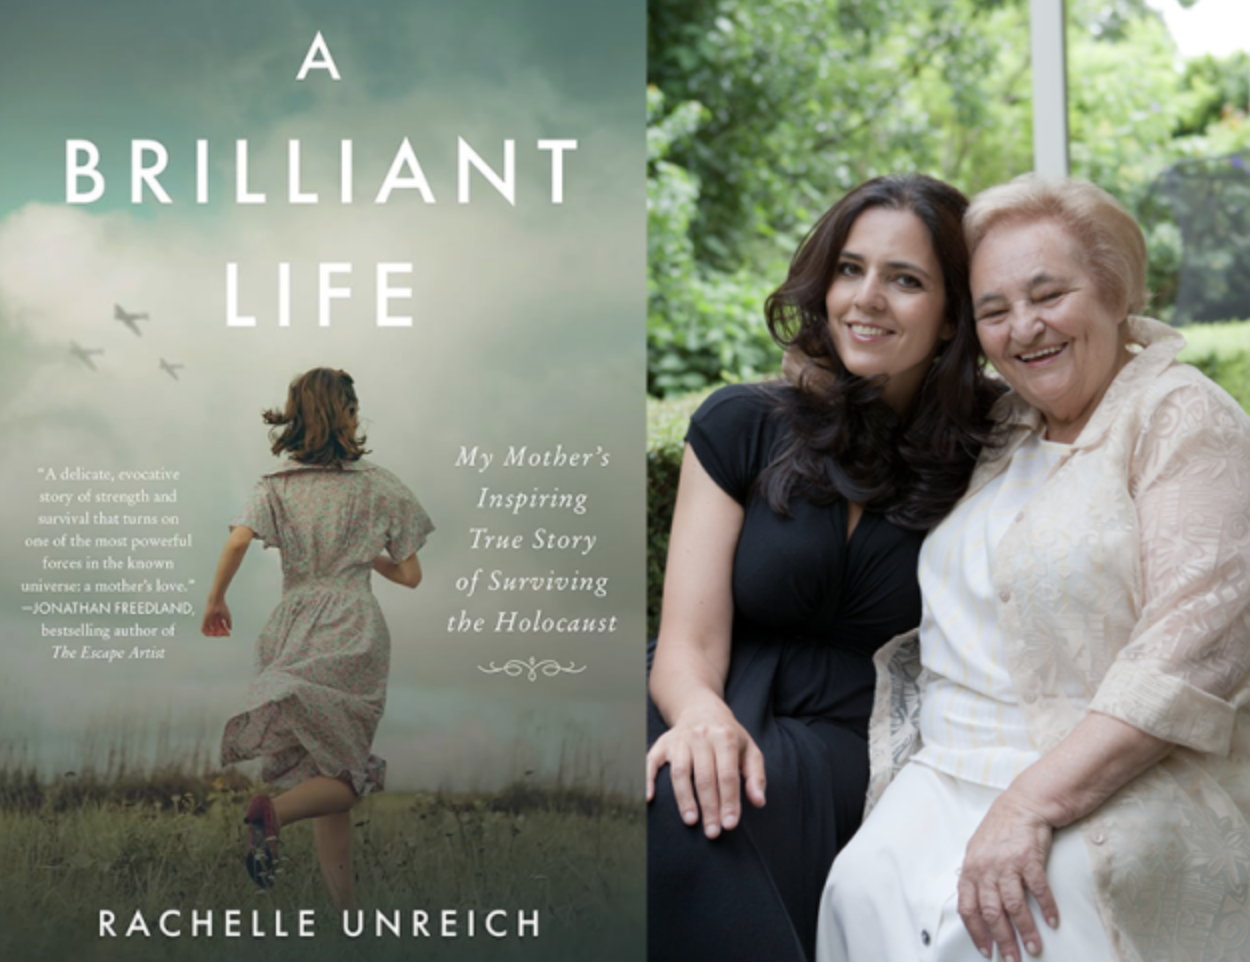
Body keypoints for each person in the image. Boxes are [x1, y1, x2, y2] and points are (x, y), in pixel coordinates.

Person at [817, 177, 1250, 962]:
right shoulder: (1002, 422)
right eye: (994, 309)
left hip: (1116, 774)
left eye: (1049, 295)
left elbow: (1190, 656)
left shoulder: (1181, 416)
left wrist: (1029, 805)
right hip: (947, 767)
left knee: (1006, 921)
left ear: (1115, 290)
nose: (1024, 328)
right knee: (860, 886)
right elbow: (870, 377)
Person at [645, 174, 1004, 962]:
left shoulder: (994, 451)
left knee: (717, 813)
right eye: (850, 269)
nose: (865, 298)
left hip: (861, 733)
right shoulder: (740, 423)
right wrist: (700, 715)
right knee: (665, 785)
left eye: (904, 280)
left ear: (953, 317)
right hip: (709, 689)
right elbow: (685, 643)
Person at [201, 367, 433, 910]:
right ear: (347, 414)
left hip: (293, 621)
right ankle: (273, 814)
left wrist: (216, 601)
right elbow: (411, 575)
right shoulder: (380, 485)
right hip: (353, 625)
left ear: (297, 417)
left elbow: (237, 542)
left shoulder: (275, 485)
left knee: (329, 770)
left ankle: (344, 911)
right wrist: (365, 555)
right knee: (345, 774)